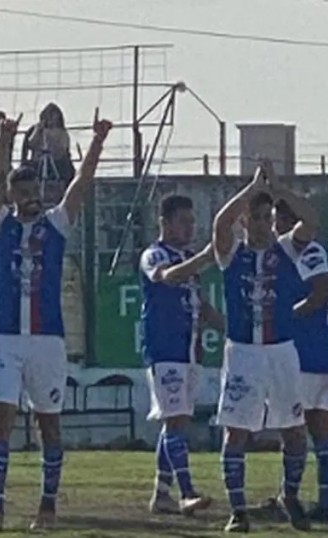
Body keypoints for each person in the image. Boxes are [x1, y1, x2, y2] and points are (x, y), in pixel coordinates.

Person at [0, 108, 112, 531]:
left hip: (47, 339)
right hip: (3, 337)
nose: (31, 195)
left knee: (48, 423)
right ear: (12, 195)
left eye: (35, 188)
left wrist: (97, 142)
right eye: (23, 190)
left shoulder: (55, 225)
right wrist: (5, 137)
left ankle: (47, 508)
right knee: (0, 418)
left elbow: (81, 184)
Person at [211, 159, 317, 533]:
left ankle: (291, 495)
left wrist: (279, 188)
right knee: (236, 431)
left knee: (294, 428)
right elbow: (220, 224)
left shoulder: (286, 250)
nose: (262, 224)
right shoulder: (232, 254)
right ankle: (238, 510)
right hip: (243, 352)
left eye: (267, 218)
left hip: (281, 350)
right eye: (255, 218)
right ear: (245, 220)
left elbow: (311, 221)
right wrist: (252, 188)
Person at [139, 194, 225, 516]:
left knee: (177, 421)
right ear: (164, 223)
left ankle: (161, 494)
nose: (190, 227)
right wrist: (204, 257)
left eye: (192, 221)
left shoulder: (188, 258)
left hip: (189, 349)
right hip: (164, 348)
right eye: (183, 221)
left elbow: (201, 305)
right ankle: (187, 492)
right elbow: (167, 276)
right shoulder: (154, 254)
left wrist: (234, 330)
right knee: (175, 420)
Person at [270, 194, 328, 522]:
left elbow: (323, 290)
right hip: (323, 349)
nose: (275, 229)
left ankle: (290, 495)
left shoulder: (308, 249)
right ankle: (326, 500)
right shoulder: (296, 252)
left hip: (308, 350)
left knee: (294, 427)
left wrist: (289, 315)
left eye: (278, 222)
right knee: (318, 427)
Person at [23, 103, 75, 184]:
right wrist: (38, 130)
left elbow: (63, 150)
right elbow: (31, 144)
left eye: (52, 116)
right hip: (38, 163)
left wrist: (51, 139)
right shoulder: (38, 130)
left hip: (57, 163)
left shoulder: (62, 133)